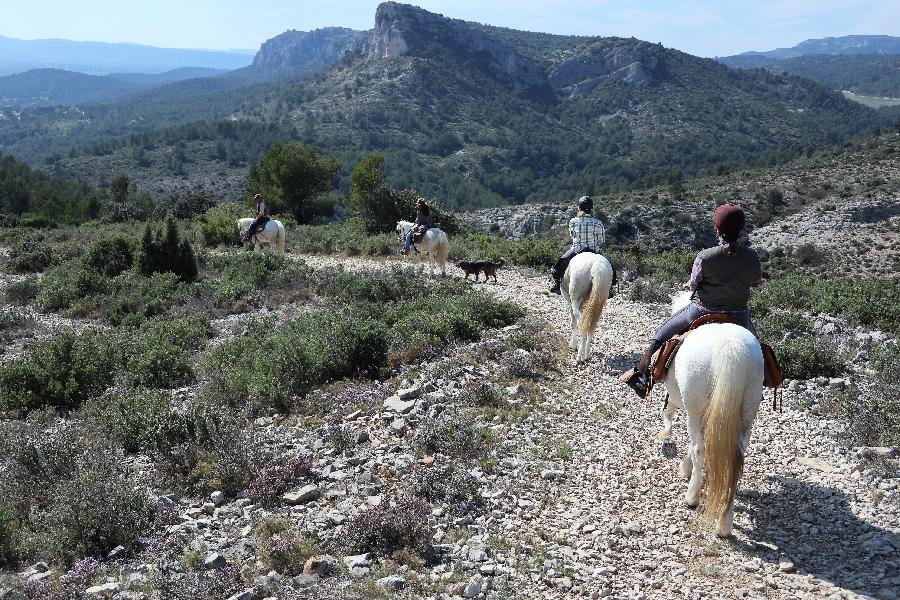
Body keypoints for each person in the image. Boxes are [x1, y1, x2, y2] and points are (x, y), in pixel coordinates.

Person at [621, 203, 763, 398]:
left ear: (717, 229)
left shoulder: (705, 257)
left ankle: (644, 379)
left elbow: (693, 284)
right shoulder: (753, 257)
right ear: (741, 229)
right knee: (759, 349)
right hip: (739, 314)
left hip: (701, 310)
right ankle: (759, 385)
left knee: (659, 336)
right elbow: (756, 282)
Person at [549, 195, 617, 296]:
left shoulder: (573, 221)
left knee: (560, 264)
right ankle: (610, 287)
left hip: (576, 250)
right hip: (593, 251)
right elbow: (601, 240)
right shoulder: (598, 223)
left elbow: (572, 236)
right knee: (610, 267)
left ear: (579, 208)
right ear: (591, 208)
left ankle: (557, 284)